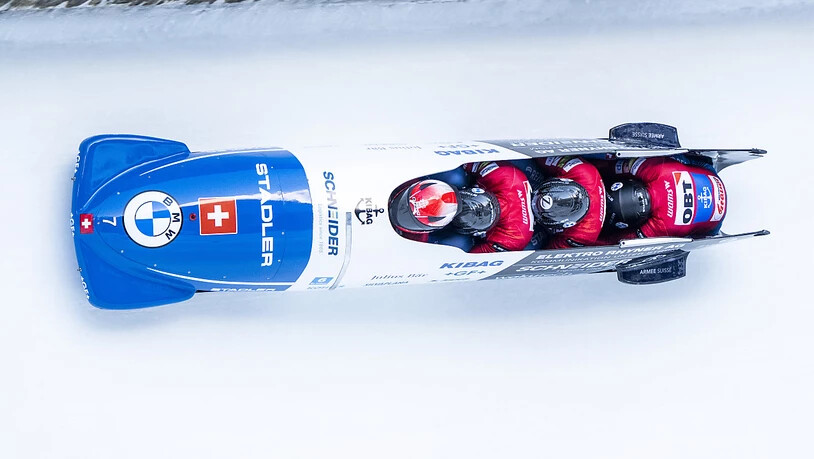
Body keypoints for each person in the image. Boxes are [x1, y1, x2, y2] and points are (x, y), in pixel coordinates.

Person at [389, 161, 534, 253]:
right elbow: (466, 161)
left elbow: (476, 258)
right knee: (455, 176)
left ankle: (416, 241)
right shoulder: (503, 176)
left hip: (520, 238)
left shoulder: (512, 238)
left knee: (460, 245)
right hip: (512, 178)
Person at [594, 156, 727, 243]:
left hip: (714, 223)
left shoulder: (661, 226)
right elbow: (616, 166)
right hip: (709, 174)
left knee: (679, 238)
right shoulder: (654, 170)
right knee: (678, 161)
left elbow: (623, 240)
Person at [530, 156, 606, 248]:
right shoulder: (580, 170)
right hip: (538, 182)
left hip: (540, 228)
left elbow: (549, 252)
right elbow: (541, 156)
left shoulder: (582, 235)